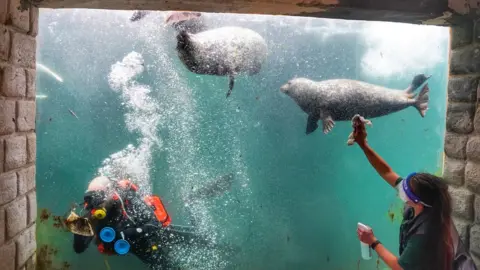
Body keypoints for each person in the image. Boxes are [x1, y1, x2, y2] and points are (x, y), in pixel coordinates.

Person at [351, 119, 477, 270]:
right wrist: (363, 144)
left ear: (418, 202)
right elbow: (387, 172)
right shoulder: (429, 205)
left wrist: (372, 241)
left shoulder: (424, 233)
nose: (400, 188)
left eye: (406, 189)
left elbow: (400, 268)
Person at [72, 175, 216, 270]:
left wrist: (123, 234)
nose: (97, 204)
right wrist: (78, 229)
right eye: (92, 200)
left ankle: (192, 200)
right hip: (140, 249)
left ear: (111, 193)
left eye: (99, 198)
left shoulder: (127, 198)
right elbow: (78, 249)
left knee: (202, 238)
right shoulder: (92, 216)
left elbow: (154, 224)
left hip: (158, 234)